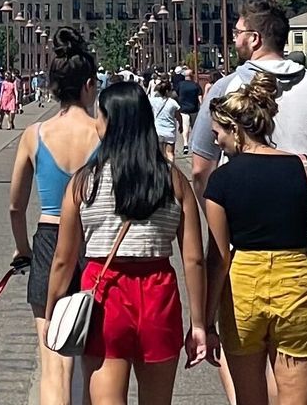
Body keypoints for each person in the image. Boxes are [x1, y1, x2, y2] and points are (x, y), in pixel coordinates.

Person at [47, 81, 210, 405]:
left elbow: (64, 261)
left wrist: (53, 310)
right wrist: (199, 323)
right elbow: (193, 259)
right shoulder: (172, 179)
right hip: (158, 292)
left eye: (100, 116)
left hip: (104, 292)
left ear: (110, 121)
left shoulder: (84, 182)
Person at [202, 73, 307, 405]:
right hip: (297, 280)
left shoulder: (221, 180)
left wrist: (207, 319)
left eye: (218, 133)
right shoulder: (304, 167)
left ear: (235, 130)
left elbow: (219, 256)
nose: (216, 142)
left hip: (243, 287)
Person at [189, 0, 307, 251]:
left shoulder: (225, 89)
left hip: (243, 231)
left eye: (238, 33)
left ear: (254, 39)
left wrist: (218, 227)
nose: (234, 40)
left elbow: (200, 169)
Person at [9, 30, 104, 405]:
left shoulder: (35, 135)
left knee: (53, 358)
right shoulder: (102, 132)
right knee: (95, 358)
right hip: (95, 241)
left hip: (49, 242)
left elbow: (15, 205)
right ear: (89, 85)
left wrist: (22, 251)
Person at [149, 78, 183, 156]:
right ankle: (170, 168)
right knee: (170, 153)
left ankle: (161, 167)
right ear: (168, 91)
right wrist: (180, 125)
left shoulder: (153, 101)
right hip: (170, 130)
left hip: (158, 130)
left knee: (160, 154)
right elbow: (178, 116)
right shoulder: (173, 103)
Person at [174, 69, 202, 138]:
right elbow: (200, 97)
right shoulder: (196, 85)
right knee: (194, 127)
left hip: (183, 109)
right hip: (194, 109)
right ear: (192, 76)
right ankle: (193, 141)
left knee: (185, 127)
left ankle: (185, 144)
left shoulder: (180, 85)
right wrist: (201, 106)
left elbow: (176, 94)